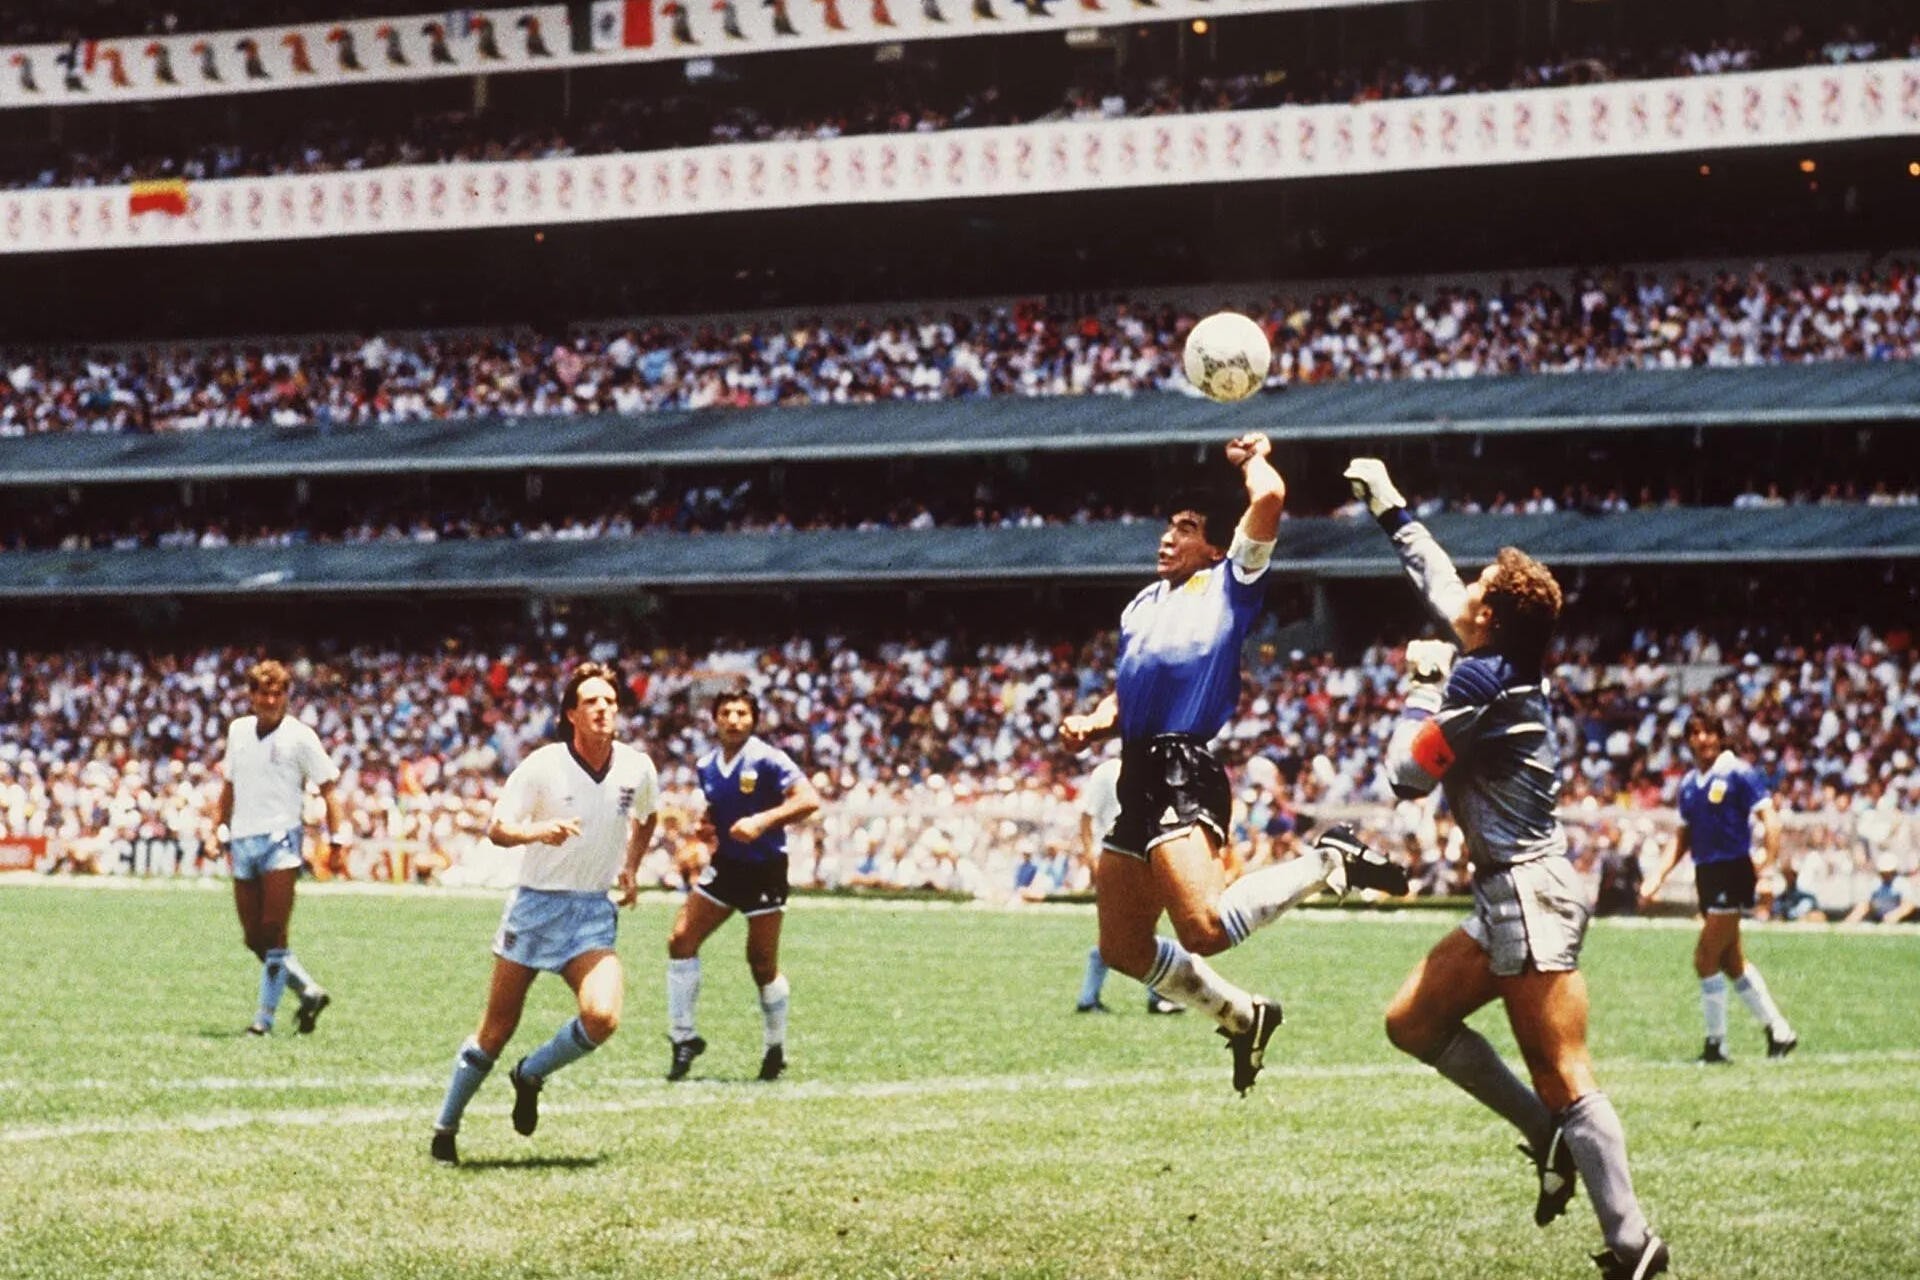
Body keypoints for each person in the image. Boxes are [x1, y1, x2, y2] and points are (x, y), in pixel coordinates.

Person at [1344, 457, 1670, 1280]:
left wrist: (1421, 687)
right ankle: (1546, 1135)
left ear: (1486, 617)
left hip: (1528, 891)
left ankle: (1634, 1245)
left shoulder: (1482, 680)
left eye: (1478, 591)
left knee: (1564, 1070)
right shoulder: (1498, 660)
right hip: (1509, 892)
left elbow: (1406, 775)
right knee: (1412, 1022)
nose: (1465, 595)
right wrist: (1391, 507)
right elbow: (1442, 578)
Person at [1060, 433, 1407, 1095]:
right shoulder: (1142, 605)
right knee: (1123, 949)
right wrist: (1096, 721)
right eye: (1168, 527)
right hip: (1136, 769)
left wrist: (1253, 461)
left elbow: (1271, 497)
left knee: (1207, 928)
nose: (1168, 538)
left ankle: (1327, 861)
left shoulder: (1231, 581)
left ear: (1215, 546)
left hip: (1181, 766)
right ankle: (1244, 1016)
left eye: (1186, 529)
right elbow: (1129, 686)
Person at [429, 662, 658, 1165]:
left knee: (602, 1016)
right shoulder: (542, 766)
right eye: (592, 702)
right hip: (536, 906)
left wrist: (632, 867)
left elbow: (648, 814)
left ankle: (531, 1073)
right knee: (496, 1029)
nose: (603, 709)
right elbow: (497, 828)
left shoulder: (635, 767)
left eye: (610, 701)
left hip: (592, 911)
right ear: (571, 713)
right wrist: (539, 831)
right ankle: (446, 1127)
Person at [666, 691, 823, 1083]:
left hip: (765, 870)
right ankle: (684, 1037)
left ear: (753, 719)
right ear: (714, 720)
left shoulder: (769, 759)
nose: (733, 719)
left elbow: (809, 799)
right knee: (681, 940)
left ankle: (775, 1047)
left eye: (741, 713)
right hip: (727, 867)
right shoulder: (706, 765)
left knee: (761, 963)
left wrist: (763, 821)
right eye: (726, 713)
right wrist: (706, 827)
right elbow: (717, 811)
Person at [1638, 711, 1798, 1063]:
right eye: (1695, 733)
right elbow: (1682, 837)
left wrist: (1767, 871)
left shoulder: (1738, 772)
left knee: (1704, 957)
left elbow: (1770, 820)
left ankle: (1716, 1044)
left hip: (1733, 871)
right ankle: (1779, 1031)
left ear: (1720, 737)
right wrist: (1657, 876)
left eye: (1709, 732)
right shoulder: (1690, 784)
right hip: (1706, 873)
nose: (1703, 739)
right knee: (1731, 961)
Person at [216, 659, 348, 1037]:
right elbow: (229, 784)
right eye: (263, 692)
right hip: (243, 838)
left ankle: (264, 1019)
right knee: (253, 937)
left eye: (277, 693)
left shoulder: (301, 736)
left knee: (274, 930)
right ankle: (307, 990)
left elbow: (328, 787)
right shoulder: (238, 731)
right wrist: (219, 827)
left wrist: (336, 838)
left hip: (281, 838)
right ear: (251, 696)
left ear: (287, 696)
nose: (270, 699)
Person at [1073, 752, 1184, 1016]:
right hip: (1115, 858)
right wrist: (1091, 858)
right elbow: (1086, 817)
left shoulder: (1157, 775)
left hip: (1143, 859)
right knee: (1127, 931)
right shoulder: (1108, 772)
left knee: (1135, 930)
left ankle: (1093, 998)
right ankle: (1155, 997)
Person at [1843, 854, 1917, 924]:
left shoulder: (1902, 883)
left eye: (1888, 872)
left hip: (1900, 921)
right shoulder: (1875, 884)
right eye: (1883, 873)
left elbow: (1908, 905)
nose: (1886, 875)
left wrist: (1896, 914)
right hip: (1878, 920)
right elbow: (1864, 905)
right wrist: (1852, 918)